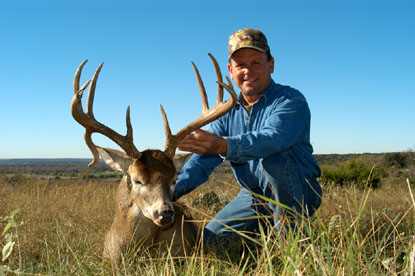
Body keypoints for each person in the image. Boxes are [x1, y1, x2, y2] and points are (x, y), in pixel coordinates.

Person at [175, 28, 322, 246]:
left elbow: (273, 139)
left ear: (270, 65)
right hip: (253, 196)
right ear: (230, 70)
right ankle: (264, 232)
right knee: (208, 242)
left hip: (298, 192)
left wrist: (223, 145)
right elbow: (201, 161)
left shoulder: (290, 101)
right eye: (240, 65)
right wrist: (168, 192)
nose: (248, 71)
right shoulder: (228, 112)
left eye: (256, 63)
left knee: (274, 160)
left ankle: (294, 246)